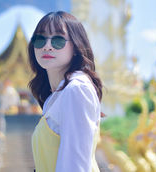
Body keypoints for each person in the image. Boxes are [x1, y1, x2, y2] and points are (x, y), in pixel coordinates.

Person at [28, 11, 103, 172]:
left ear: (76, 46)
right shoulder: (57, 95)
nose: (47, 46)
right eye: (40, 39)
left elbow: (74, 166)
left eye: (58, 40)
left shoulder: (77, 89)